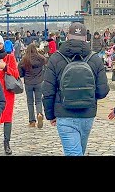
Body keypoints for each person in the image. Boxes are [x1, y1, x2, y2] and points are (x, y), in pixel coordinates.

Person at [42, 22, 109, 156]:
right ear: (85, 38)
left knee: (73, 152)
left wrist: (50, 115)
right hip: (87, 115)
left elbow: (48, 91)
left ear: (67, 37)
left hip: (64, 114)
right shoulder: (95, 59)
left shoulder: (55, 58)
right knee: (79, 152)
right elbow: (102, 92)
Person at [18, 43, 47, 128]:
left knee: (30, 102)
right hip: (39, 82)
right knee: (38, 100)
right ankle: (39, 113)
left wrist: (23, 74)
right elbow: (45, 66)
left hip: (28, 83)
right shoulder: (41, 58)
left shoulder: (24, 59)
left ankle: (32, 121)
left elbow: (20, 71)